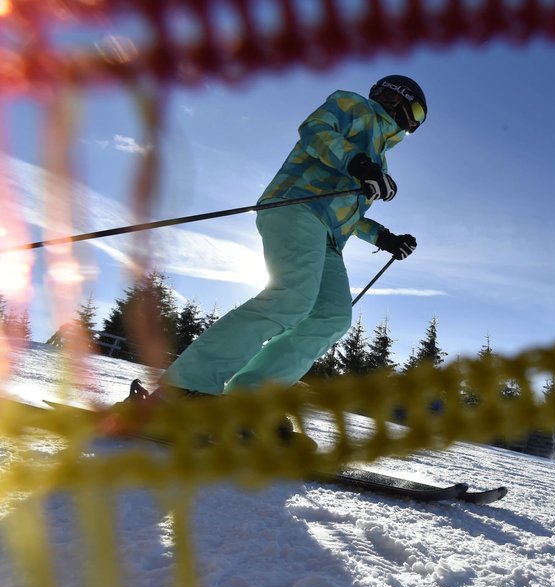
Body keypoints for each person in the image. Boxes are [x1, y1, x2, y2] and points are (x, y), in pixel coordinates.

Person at [153, 74, 426, 413]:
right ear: (396, 97)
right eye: (415, 111)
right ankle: (185, 385)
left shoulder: (380, 159)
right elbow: (315, 130)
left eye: (419, 119)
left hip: (329, 236)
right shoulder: (352, 105)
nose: (414, 123)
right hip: (296, 205)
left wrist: (384, 237)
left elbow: (348, 211)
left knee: (333, 317)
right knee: (291, 298)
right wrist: (358, 163)